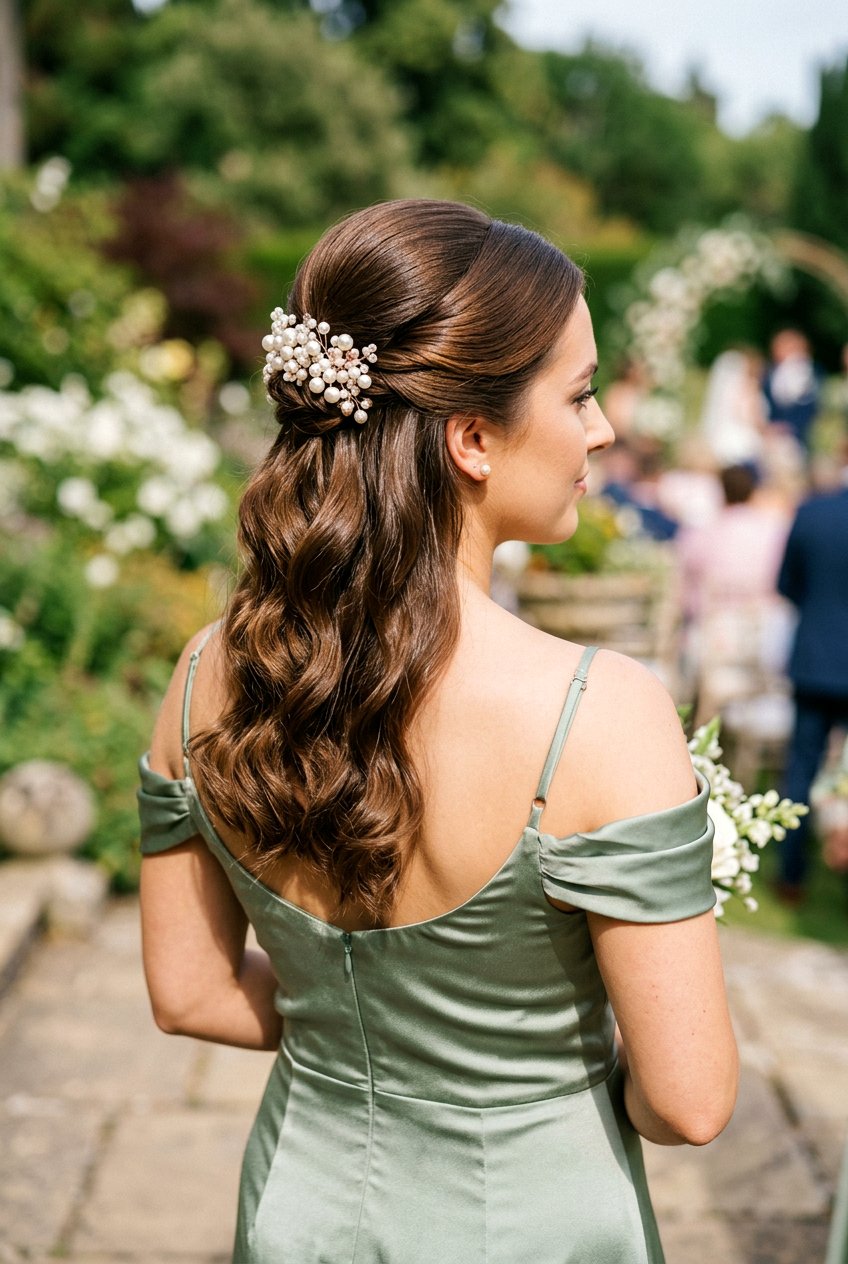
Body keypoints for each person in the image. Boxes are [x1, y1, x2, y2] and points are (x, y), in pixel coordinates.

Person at [138, 199, 737, 1264]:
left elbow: (188, 993)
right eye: (581, 394)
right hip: (537, 1224)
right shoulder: (597, 712)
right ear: (470, 437)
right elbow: (685, 1101)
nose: (602, 430)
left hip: (299, 1212)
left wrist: (358, 1035)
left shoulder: (202, 677)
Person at [777, 446, 848, 899]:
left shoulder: (812, 512)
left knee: (802, 765)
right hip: (820, 658)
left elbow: (785, 584)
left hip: (816, 658)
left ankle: (791, 874)